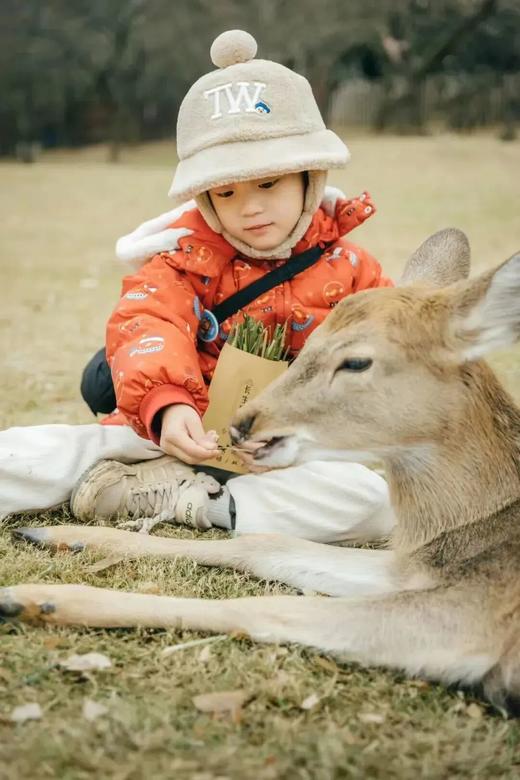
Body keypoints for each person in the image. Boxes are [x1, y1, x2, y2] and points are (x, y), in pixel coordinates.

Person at [0, 30, 395, 544]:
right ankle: (146, 474)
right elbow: (148, 323)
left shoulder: (355, 270)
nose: (250, 207)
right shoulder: (178, 260)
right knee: (30, 456)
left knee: (371, 505)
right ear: (205, 196)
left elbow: (392, 359)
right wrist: (167, 405)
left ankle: (193, 503)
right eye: (227, 191)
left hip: (284, 449)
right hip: (174, 429)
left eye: (269, 183)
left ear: (309, 176)